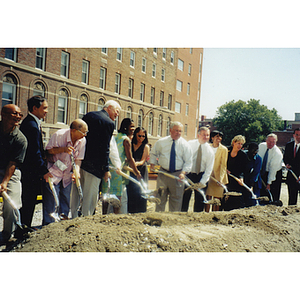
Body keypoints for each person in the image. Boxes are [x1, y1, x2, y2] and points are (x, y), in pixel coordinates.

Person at [78, 100, 121, 216]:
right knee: (90, 196)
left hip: (81, 162)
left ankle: (74, 218)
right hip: (95, 167)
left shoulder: (89, 115)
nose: (117, 115)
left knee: (79, 193)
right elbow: (105, 148)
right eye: (117, 111)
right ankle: (86, 220)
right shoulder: (109, 123)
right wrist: (106, 169)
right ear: (109, 107)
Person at [42, 119, 88, 225]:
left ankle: (62, 225)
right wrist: (63, 149)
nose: (85, 135)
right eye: (83, 132)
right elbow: (48, 152)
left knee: (65, 200)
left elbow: (78, 160)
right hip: (54, 171)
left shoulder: (82, 141)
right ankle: (49, 226)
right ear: (73, 130)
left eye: (86, 132)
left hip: (66, 174)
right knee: (52, 200)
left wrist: (77, 171)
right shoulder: (59, 135)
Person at [19, 96, 52, 228]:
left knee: (29, 201)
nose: (47, 111)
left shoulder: (32, 123)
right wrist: (44, 171)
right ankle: (23, 228)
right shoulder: (31, 126)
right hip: (30, 172)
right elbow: (34, 152)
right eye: (44, 108)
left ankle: (24, 226)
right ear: (34, 108)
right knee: (28, 200)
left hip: (30, 171)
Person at [150, 121, 192, 212]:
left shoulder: (185, 145)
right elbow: (153, 153)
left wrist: (183, 173)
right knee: (160, 198)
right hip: (163, 174)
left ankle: (173, 221)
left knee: (176, 200)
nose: (178, 133)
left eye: (180, 131)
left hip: (177, 175)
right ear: (170, 130)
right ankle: (158, 219)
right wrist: (152, 163)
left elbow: (188, 161)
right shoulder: (161, 142)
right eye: (176, 130)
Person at [102, 118, 141, 214]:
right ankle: (116, 218)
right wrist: (136, 172)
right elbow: (130, 158)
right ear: (125, 127)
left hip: (109, 169)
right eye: (131, 126)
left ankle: (104, 216)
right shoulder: (126, 140)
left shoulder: (116, 137)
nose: (133, 129)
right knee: (117, 198)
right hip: (117, 172)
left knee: (106, 196)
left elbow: (120, 154)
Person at [0, 104, 27, 242]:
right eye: (14, 113)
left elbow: (13, 163)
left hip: (11, 172)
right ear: (3, 114)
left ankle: (7, 234)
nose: (18, 116)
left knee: (12, 204)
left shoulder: (20, 139)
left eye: (20, 114)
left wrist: (4, 182)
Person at [181, 126, 214, 212]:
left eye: (207, 135)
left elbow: (209, 168)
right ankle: (182, 216)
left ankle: (196, 218)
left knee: (199, 200)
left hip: (201, 176)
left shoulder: (210, 151)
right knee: (185, 197)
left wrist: (202, 182)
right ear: (198, 135)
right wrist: (183, 173)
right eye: (204, 135)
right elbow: (183, 158)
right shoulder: (189, 144)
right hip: (189, 174)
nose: (206, 137)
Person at [127, 127, 150, 213]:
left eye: (143, 136)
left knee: (141, 191)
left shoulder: (146, 147)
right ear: (135, 135)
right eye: (139, 136)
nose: (141, 138)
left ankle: (141, 211)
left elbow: (143, 160)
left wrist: (134, 164)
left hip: (141, 170)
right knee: (131, 190)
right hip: (131, 170)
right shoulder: (130, 144)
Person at [205, 130, 228, 212]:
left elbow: (223, 165)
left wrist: (221, 179)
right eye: (217, 136)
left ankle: (215, 215)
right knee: (208, 197)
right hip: (209, 176)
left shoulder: (224, 149)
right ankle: (206, 215)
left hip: (218, 177)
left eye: (220, 137)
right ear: (212, 138)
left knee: (217, 198)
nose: (219, 138)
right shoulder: (208, 147)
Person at [223, 135, 248, 211]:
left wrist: (241, 177)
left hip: (236, 180)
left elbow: (244, 169)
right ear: (233, 143)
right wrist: (225, 170)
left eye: (241, 144)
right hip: (225, 179)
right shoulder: (226, 151)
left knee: (235, 201)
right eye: (238, 143)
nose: (240, 146)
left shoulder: (243, 155)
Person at [258, 133, 283, 205]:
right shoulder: (261, 146)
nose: (271, 144)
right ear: (266, 140)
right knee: (262, 193)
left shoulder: (277, 153)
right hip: (263, 172)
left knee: (272, 194)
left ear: (276, 142)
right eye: (269, 141)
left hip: (275, 174)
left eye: (273, 142)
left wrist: (269, 184)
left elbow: (272, 170)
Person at [283, 128, 300, 205]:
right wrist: (287, 164)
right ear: (293, 135)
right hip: (291, 177)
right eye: (297, 135)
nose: (298, 137)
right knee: (292, 200)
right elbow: (285, 158)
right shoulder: (288, 146)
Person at [244, 142, 262, 206]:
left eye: (257, 150)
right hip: (243, 179)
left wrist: (252, 183)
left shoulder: (258, 159)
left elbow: (256, 172)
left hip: (254, 181)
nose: (255, 152)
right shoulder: (244, 155)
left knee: (253, 199)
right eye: (253, 150)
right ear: (248, 149)